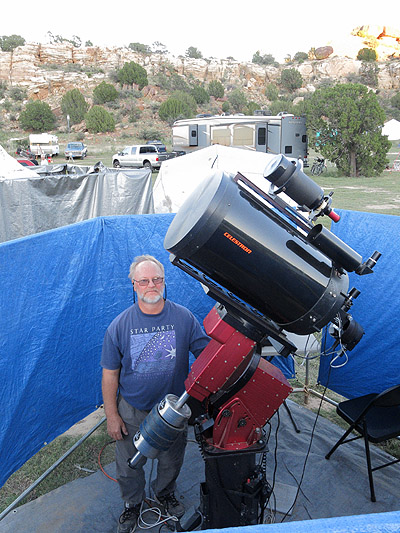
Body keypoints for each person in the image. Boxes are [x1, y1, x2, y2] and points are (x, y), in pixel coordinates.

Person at [101, 255, 209, 533]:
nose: (152, 285)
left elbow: (207, 355)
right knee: (128, 465)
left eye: (157, 279)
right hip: (133, 410)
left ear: (164, 282)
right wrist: (112, 415)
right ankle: (132, 505)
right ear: (134, 285)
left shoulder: (184, 318)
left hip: (173, 412)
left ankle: (164, 494)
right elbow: (110, 374)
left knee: (171, 461)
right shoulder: (119, 326)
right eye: (144, 281)